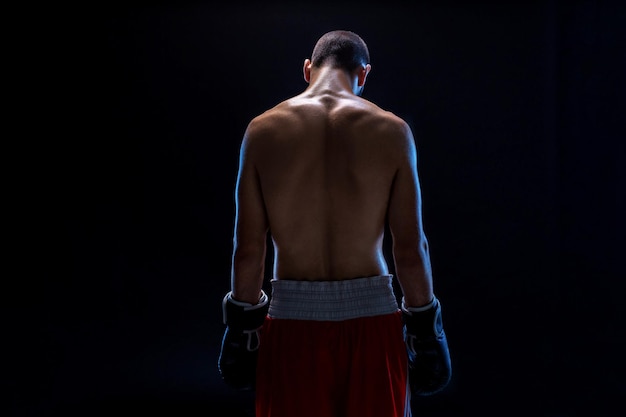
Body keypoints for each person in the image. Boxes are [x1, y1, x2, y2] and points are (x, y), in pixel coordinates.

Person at [218, 30, 451, 417]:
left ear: (308, 69)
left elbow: (248, 251)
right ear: (364, 74)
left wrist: (240, 328)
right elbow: (411, 250)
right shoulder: (393, 131)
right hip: (373, 322)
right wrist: (427, 331)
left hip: (292, 323)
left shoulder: (260, 131)